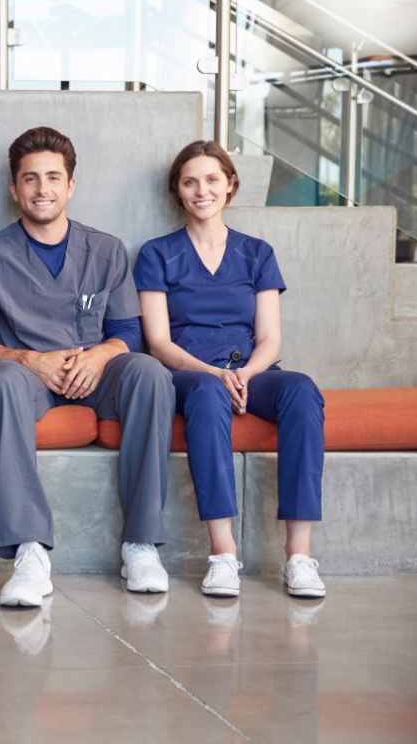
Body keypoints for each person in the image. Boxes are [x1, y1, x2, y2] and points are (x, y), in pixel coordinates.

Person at [0, 126, 175, 607]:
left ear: (71, 185)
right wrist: (28, 360)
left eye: (53, 177)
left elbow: (130, 333)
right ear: (14, 188)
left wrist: (99, 355)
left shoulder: (106, 250)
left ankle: (141, 544)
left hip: (96, 374)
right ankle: (29, 550)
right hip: (27, 378)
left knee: (149, 374)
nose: (42, 189)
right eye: (30, 179)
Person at [135, 140, 325, 599]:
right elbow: (159, 343)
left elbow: (270, 339)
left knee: (302, 390)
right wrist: (215, 374)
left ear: (230, 186)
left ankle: (298, 556)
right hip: (191, 373)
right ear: (178, 192)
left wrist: (245, 374)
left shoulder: (257, 253)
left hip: (251, 372)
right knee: (205, 392)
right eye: (190, 182)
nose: (202, 190)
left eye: (212, 180)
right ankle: (223, 554)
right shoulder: (156, 254)